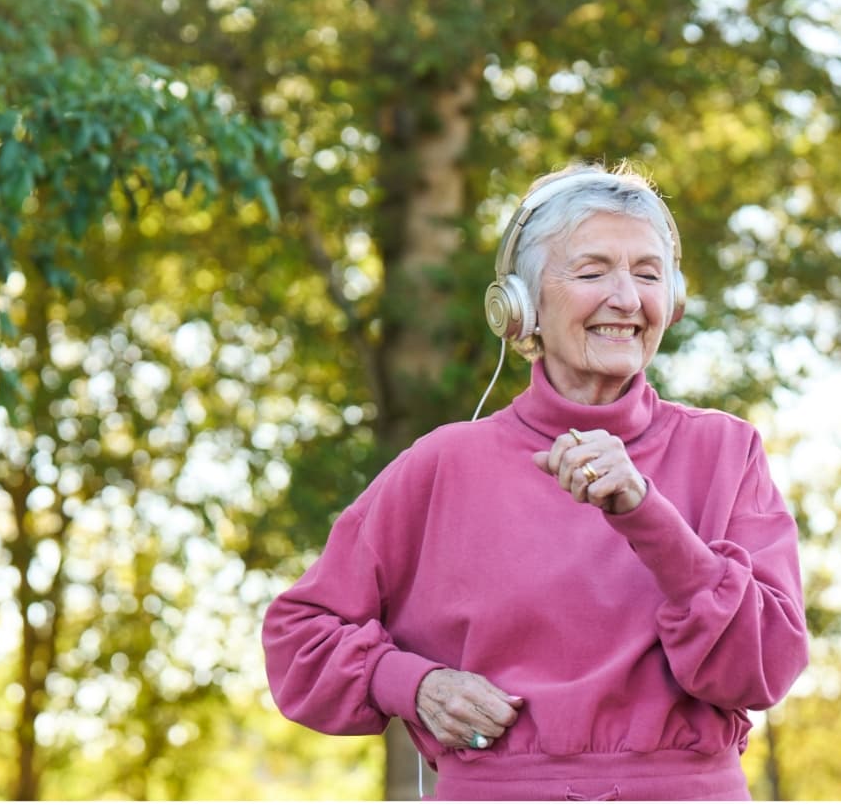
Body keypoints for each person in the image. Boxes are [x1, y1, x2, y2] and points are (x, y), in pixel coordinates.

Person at [262, 162, 809, 800]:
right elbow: (297, 636)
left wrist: (645, 512)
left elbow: (765, 669)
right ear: (520, 308)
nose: (627, 298)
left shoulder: (727, 450)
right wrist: (408, 683)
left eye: (647, 273)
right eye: (592, 270)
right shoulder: (444, 463)